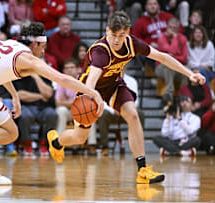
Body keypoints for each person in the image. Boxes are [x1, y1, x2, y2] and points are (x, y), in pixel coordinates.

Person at [46, 11, 205, 184]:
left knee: (133, 114)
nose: (116, 40)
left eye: (121, 35)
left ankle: (142, 169)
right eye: (113, 35)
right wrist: (92, 98)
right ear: (107, 31)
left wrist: (190, 74)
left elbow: (163, 57)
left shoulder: (132, 43)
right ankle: (56, 141)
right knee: (80, 137)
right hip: (89, 89)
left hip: (114, 84)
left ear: (127, 32)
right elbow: (91, 80)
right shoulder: (101, 51)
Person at [0, 22, 103, 185]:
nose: (43, 52)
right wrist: (93, 92)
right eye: (42, 47)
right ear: (35, 43)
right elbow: (62, 79)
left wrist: (15, 96)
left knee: (0, 123)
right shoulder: (28, 59)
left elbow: (1, 71)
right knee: (11, 132)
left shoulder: (8, 44)